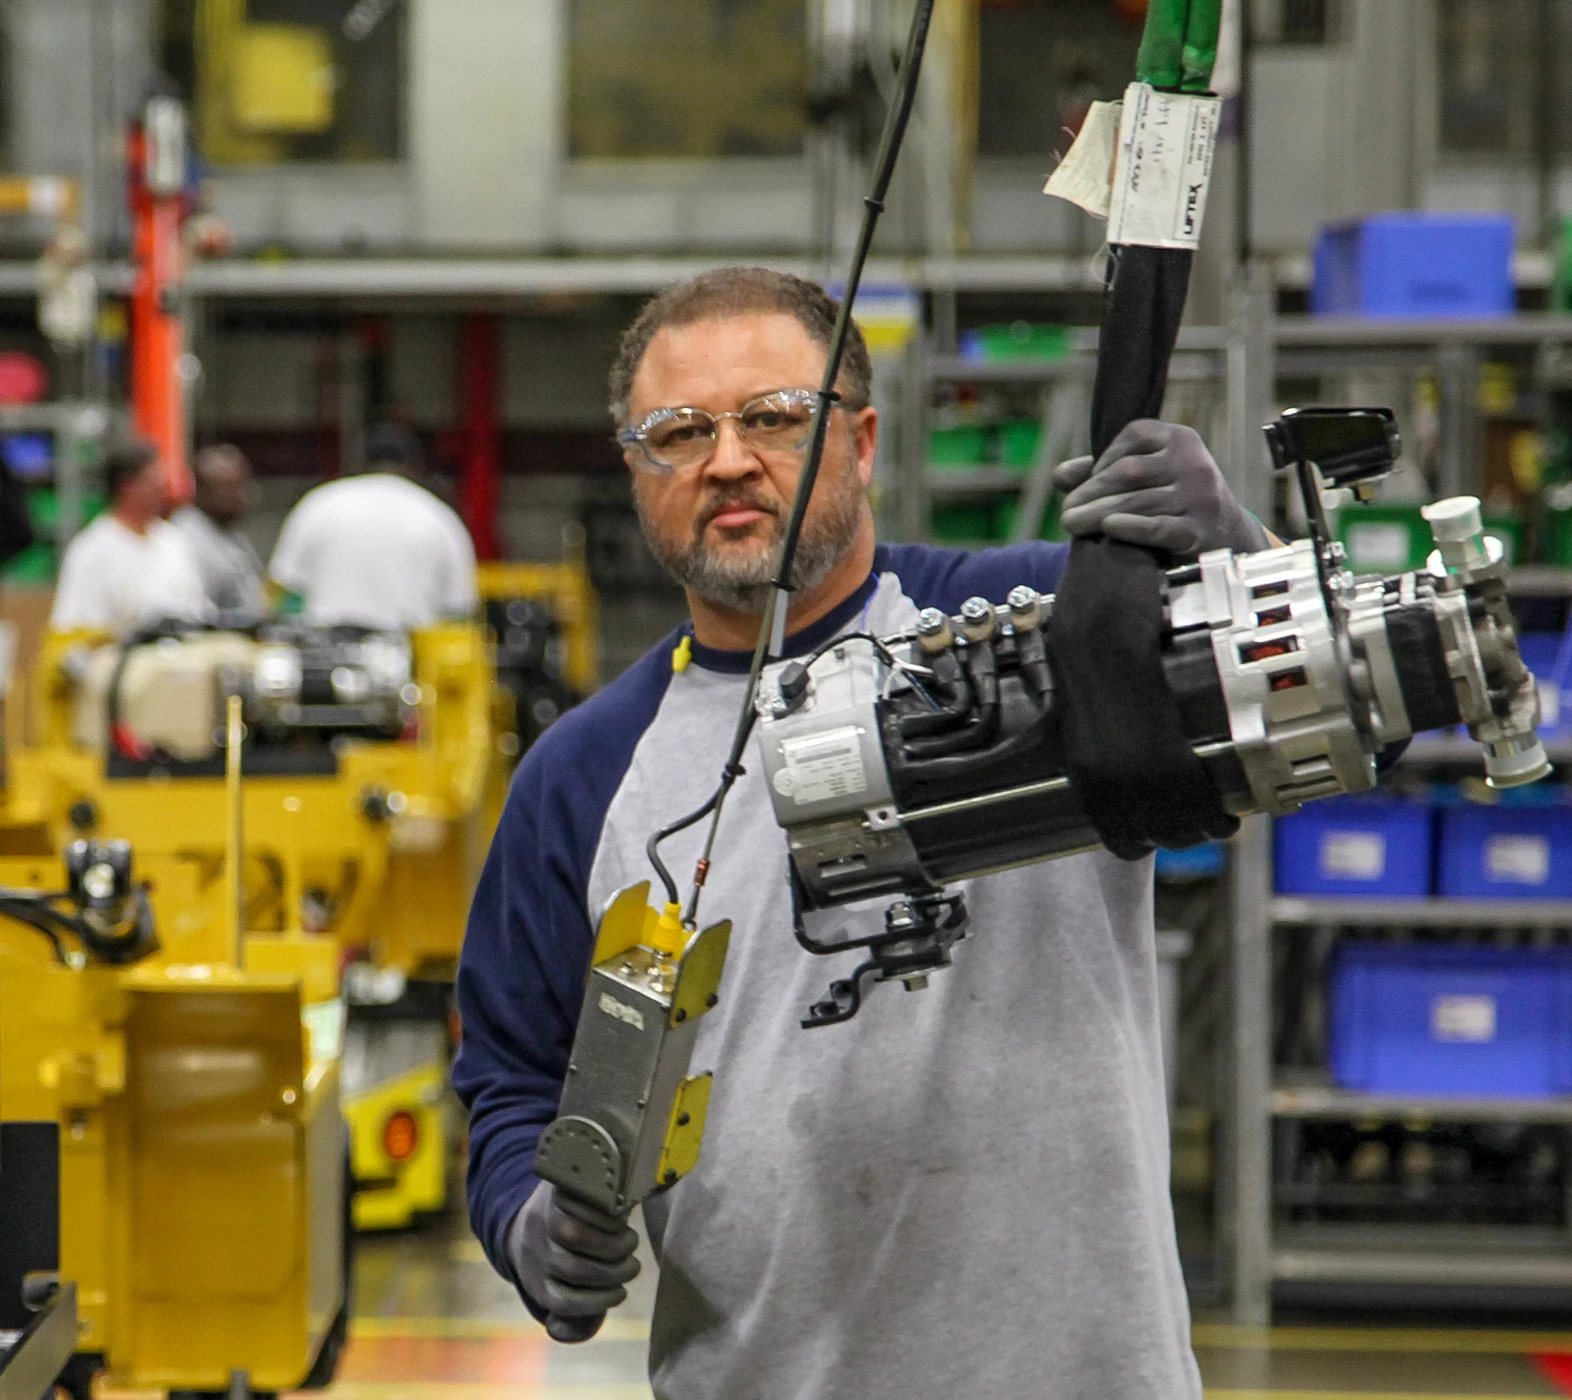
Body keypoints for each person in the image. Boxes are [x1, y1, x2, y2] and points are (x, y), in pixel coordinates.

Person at [450, 267, 1265, 1399]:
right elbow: (508, 1074)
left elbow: (1352, 721)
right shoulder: (581, 777)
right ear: (637, 472)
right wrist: (525, 1217)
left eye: (775, 416)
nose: (727, 458)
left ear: (863, 439)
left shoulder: (1048, 635)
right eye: (678, 432)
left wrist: (1240, 561)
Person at [267, 423, 477, 631]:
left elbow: (287, 594)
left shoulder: (319, 504)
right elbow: (457, 613)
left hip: (325, 653)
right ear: (416, 465)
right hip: (406, 652)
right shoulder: (439, 517)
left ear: (358, 461)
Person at [45, 432, 212, 633]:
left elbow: (198, 611)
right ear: (126, 486)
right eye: (153, 480)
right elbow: (74, 632)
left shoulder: (174, 541)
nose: (161, 488)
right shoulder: (92, 550)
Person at [166, 443, 268, 621]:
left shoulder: (227, 531)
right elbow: (194, 613)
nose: (244, 496)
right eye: (232, 488)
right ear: (202, 491)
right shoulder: (184, 538)